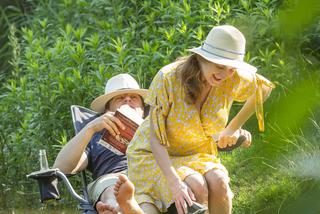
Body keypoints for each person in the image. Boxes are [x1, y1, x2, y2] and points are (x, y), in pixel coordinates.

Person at [125, 25, 275, 214]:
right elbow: (155, 140)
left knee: (219, 183)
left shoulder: (231, 77)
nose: (225, 74)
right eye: (220, 66)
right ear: (201, 57)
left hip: (197, 152)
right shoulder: (168, 79)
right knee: (197, 185)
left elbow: (264, 88)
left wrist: (232, 128)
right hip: (152, 154)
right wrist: (175, 183)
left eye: (231, 68)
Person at [53, 73, 148, 214]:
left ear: (142, 109)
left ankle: (121, 208)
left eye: (133, 97)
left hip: (151, 175)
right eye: (120, 98)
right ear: (107, 110)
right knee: (113, 187)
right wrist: (90, 128)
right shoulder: (95, 134)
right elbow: (61, 168)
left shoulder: (156, 126)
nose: (127, 100)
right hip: (113, 178)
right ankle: (113, 206)